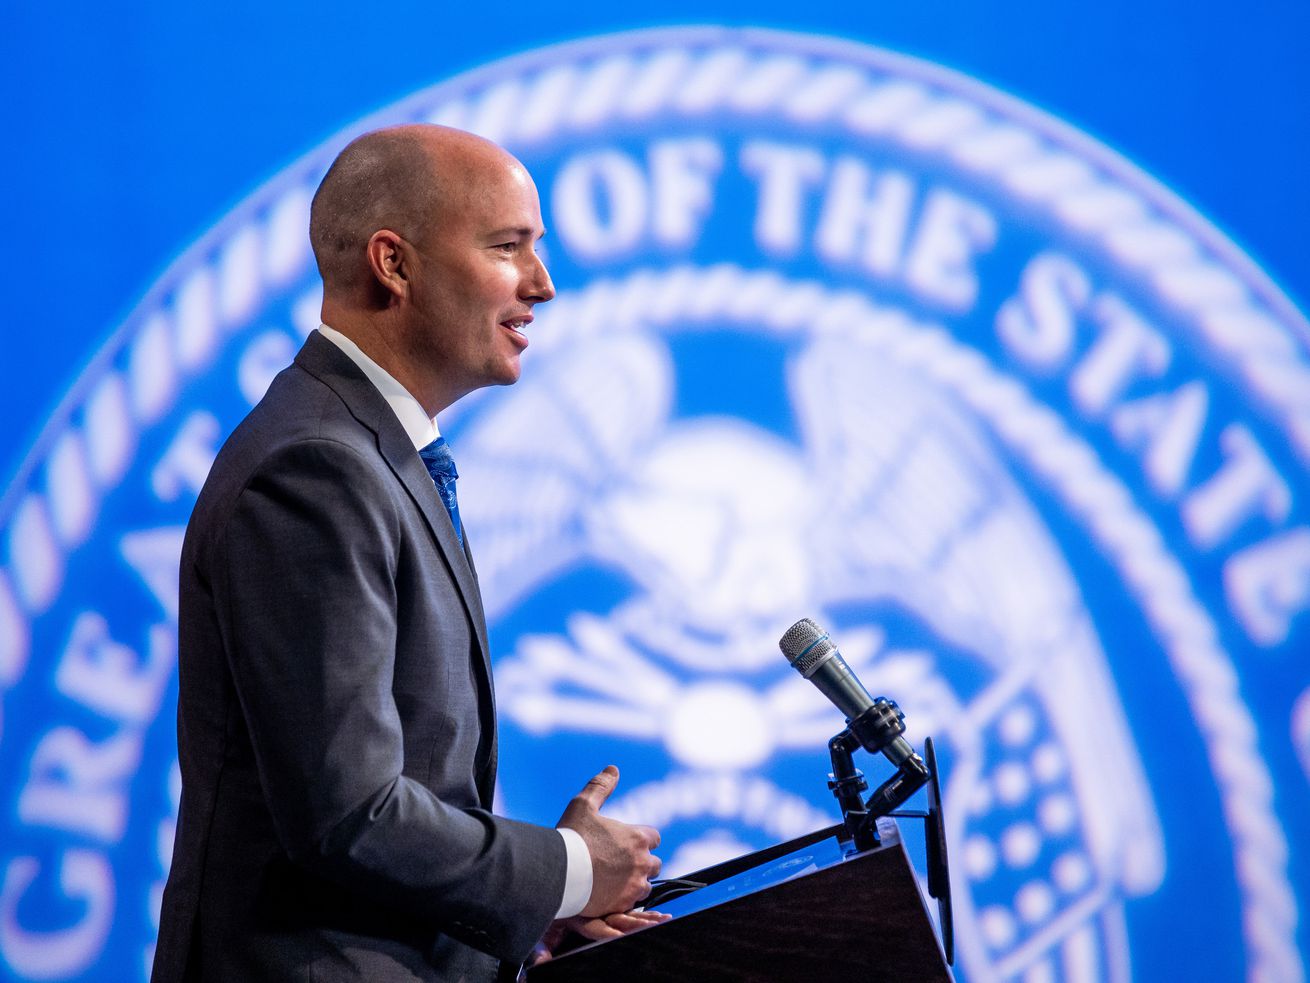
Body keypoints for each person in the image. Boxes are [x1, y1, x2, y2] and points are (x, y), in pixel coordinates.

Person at [151, 124, 666, 982]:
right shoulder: (315, 466)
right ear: (394, 264)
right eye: (508, 248)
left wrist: (519, 911)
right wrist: (569, 873)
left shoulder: (375, 452)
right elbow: (349, 813)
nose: (542, 284)